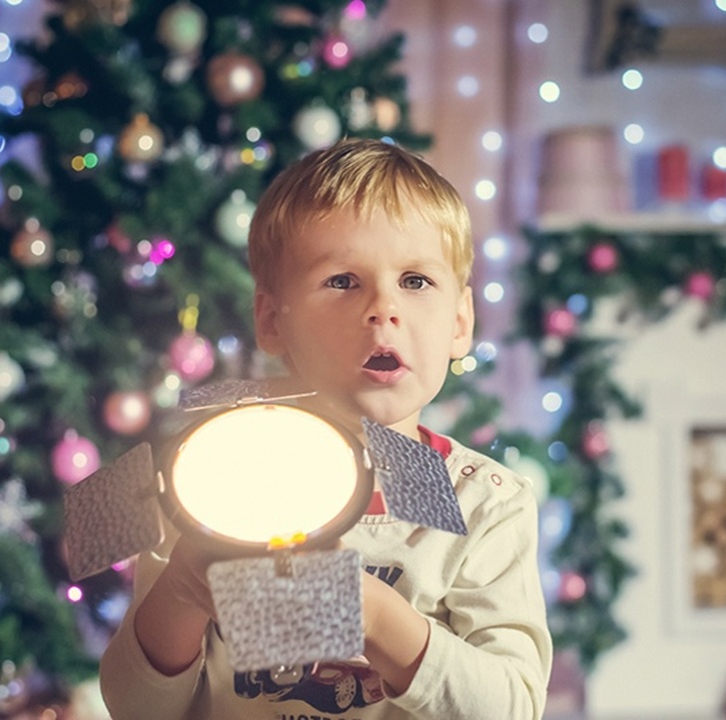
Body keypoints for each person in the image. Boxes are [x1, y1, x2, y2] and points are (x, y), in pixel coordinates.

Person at [99, 138, 553, 719]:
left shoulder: (485, 503)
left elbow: (511, 708)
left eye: (415, 281)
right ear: (271, 320)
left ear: (460, 322)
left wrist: (379, 621)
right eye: (342, 280)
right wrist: (184, 590)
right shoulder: (209, 481)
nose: (382, 308)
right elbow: (136, 709)